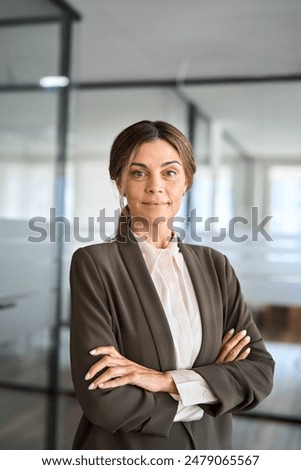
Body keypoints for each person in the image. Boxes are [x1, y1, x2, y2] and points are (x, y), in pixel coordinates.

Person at [69, 120, 274, 450]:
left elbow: (260, 374)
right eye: (138, 173)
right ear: (119, 183)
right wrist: (212, 385)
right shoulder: (95, 264)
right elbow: (105, 400)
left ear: (186, 182)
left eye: (169, 172)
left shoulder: (215, 266)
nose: (155, 187)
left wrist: (164, 381)